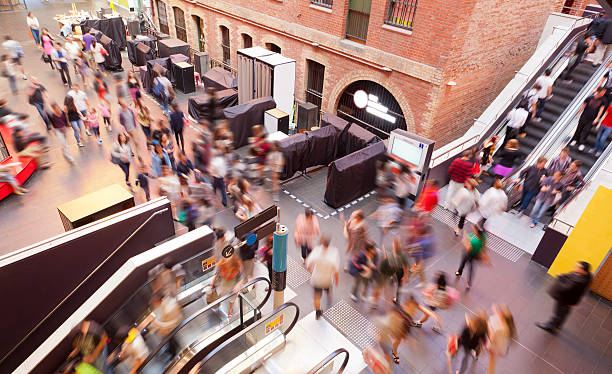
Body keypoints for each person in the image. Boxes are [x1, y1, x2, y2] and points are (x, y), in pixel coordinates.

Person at [536, 261, 592, 334]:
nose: (574, 268)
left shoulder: (579, 281)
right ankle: (557, 326)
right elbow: (571, 276)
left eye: (577, 267)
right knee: (563, 313)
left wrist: (560, 278)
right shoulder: (587, 275)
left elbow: (566, 287)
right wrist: (564, 276)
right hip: (570, 299)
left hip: (566, 299)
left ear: (582, 270)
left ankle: (550, 326)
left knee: (558, 312)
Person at [306, 235, 340, 319]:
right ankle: (329, 297)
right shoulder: (334, 253)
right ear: (329, 243)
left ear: (321, 242)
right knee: (328, 290)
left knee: (317, 297)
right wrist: (336, 281)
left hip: (316, 279)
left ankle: (318, 312)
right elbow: (336, 271)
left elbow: (308, 266)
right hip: (327, 280)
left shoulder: (316, 251)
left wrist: (311, 270)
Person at [570, 87, 607, 151]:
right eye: (603, 92)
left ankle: (582, 143)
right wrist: (578, 114)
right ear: (599, 91)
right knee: (579, 128)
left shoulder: (603, 101)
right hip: (584, 116)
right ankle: (575, 140)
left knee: (586, 130)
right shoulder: (589, 98)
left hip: (592, 118)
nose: (604, 93)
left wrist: (597, 118)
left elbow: (601, 110)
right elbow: (583, 106)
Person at [456, 224, 490, 290]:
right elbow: (484, 248)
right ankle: (469, 283)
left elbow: (468, 248)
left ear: (476, 232)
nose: (473, 231)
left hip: (469, 254)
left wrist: (464, 237)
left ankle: (459, 272)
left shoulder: (474, 241)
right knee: (471, 269)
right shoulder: (484, 239)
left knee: (463, 262)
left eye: (475, 230)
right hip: (475, 255)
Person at [487, 303, 517, 374]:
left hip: (495, 347)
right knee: (493, 361)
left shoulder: (500, 328)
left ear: (502, 315)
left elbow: (491, 338)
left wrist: (489, 328)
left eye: (499, 311)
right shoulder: (506, 326)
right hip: (501, 346)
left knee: (492, 361)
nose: (497, 311)